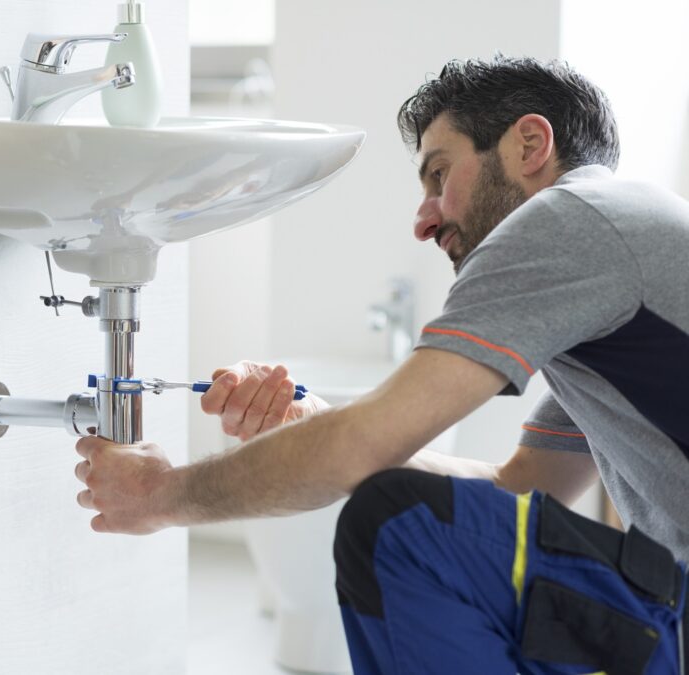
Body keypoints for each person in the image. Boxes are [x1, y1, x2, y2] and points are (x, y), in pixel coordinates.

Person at [73, 55, 689, 674]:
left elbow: (360, 453)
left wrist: (157, 495)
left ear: (530, 143)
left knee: (401, 525)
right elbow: (523, 481)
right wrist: (310, 420)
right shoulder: (619, 255)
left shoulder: (567, 220)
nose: (423, 221)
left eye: (439, 174)